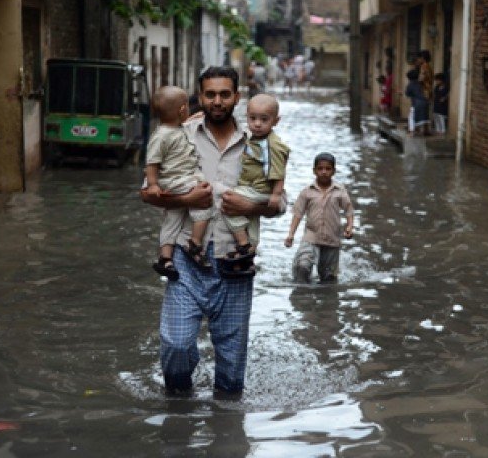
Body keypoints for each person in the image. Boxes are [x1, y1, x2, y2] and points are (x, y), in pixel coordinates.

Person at [140, 66, 285, 396]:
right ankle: (179, 416)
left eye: (224, 94)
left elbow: (280, 202)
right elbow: (147, 192)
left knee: (232, 372)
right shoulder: (179, 134)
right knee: (176, 347)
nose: (217, 101)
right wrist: (185, 198)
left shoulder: (259, 141)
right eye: (210, 94)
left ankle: (227, 436)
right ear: (199, 97)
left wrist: (250, 208)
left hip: (234, 263)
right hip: (186, 259)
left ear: (236, 97)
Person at [144, 86, 213, 280]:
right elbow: (152, 163)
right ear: (182, 110)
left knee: (172, 220)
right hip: (179, 180)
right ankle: (195, 243)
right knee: (205, 199)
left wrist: (193, 119)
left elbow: (185, 126)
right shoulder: (161, 136)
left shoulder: (175, 129)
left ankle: (165, 259)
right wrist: (153, 184)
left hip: (177, 181)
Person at [222, 93, 290, 277]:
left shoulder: (273, 144)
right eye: (252, 119)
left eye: (264, 119)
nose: (257, 124)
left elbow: (278, 170)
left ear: (276, 121)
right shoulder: (255, 138)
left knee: (227, 201)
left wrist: (276, 194)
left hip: (259, 190)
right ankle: (248, 259)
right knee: (252, 222)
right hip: (255, 189)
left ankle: (243, 245)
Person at [284, 152, 354, 283]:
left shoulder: (340, 191)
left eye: (328, 169)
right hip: (311, 236)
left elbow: (348, 210)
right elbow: (297, 214)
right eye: (320, 168)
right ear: (314, 171)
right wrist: (291, 234)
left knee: (328, 277)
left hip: (332, 238)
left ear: (334, 171)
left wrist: (350, 227)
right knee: (302, 266)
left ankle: (326, 300)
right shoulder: (307, 192)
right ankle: (303, 295)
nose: (324, 172)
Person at [405, 68, 430, 137]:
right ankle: (426, 131)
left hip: (417, 103)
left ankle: (412, 132)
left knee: (411, 118)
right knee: (425, 116)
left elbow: (407, 94)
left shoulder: (410, 85)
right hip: (425, 101)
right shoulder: (420, 83)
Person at [416, 50, 433, 135]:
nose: (418, 60)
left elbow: (421, 79)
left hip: (424, 90)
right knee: (426, 110)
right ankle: (426, 129)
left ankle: (423, 129)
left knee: (423, 109)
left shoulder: (424, 66)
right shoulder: (429, 66)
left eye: (419, 58)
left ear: (422, 58)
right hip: (428, 90)